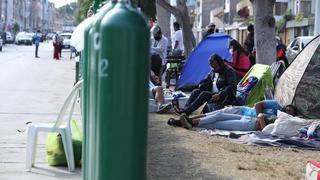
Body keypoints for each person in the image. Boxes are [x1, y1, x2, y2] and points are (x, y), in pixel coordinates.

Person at [169, 100, 298, 131]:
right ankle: (186, 121)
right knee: (214, 114)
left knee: (215, 120)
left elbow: (266, 131)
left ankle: (186, 122)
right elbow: (258, 104)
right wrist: (260, 115)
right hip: (243, 112)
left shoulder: (282, 120)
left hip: (249, 121)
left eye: (290, 113)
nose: (287, 112)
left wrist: (260, 118)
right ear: (286, 106)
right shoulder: (276, 105)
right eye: (288, 109)